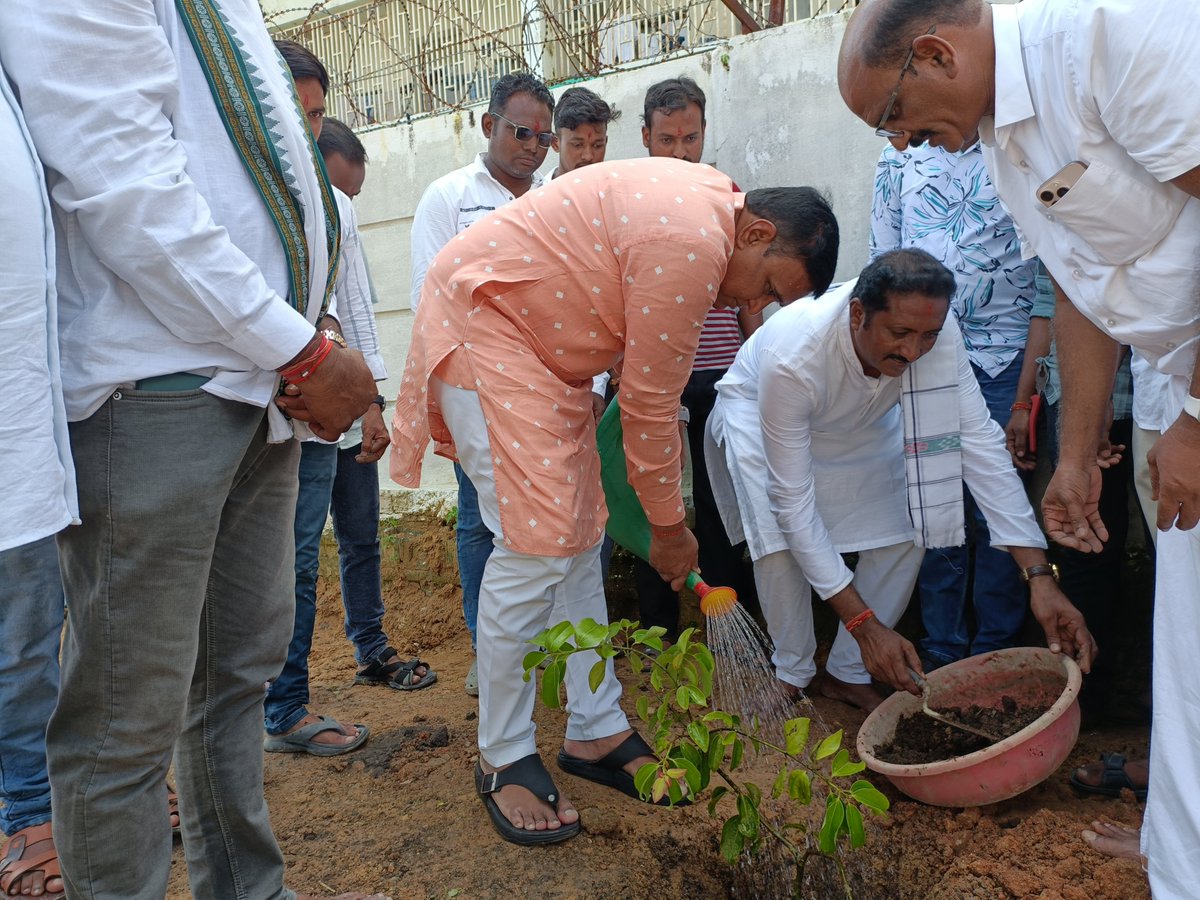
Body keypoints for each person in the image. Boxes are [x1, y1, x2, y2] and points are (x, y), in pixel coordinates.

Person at [0, 4, 384, 898]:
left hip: (254, 383)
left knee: (232, 686)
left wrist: (305, 326)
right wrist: (302, 347)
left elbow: (257, 179)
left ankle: (249, 889)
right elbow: (126, 188)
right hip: (157, 392)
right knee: (123, 725)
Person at [838, 0, 1200, 889]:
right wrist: (1073, 455)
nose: (900, 145)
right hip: (1177, 377)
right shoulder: (1004, 141)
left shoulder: (1114, 37)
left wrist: (1198, 417)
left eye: (891, 115)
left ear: (933, 54)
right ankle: (1177, 859)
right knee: (1186, 657)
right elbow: (1082, 287)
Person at [390, 160, 839, 845]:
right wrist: (668, 528)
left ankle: (595, 732)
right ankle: (503, 753)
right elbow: (651, 406)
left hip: (539, 352)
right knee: (534, 547)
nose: (749, 307)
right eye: (767, 286)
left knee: (577, 542)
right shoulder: (693, 244)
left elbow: (638, 372)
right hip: (490, 330)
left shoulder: (709, 213)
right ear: (757, 231)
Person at [707, 249, 1095, 712]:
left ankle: (847, 673)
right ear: (857, 315)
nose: (913, 352)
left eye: (927, 336)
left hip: (860, 422)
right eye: (899, 334)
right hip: (761, 416)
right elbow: (792, 503)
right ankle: (792, 671)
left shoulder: (935, 334)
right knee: (777, 542)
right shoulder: (793, 354)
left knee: (911, 522)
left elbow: (980, 446)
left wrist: (1039, 578)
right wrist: (866, 626)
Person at [265, 47, 432, 759]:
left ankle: (367, 648)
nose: (308, 129)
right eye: (298, 114)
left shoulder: (333, 208)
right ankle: (283, 705)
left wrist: (370, 400)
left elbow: (350, 305)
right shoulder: (256, 193)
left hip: (339, 397)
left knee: (358, 537)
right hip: (288, 414)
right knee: (296, 562)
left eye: (316, 114)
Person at [409, 71, 555, 697]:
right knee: (483, 520)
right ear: (488, 124)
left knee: (555, 521)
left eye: (545, 137)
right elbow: (432, 300)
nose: (534, 147)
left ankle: (544, 648)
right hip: (477, 388)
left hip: (552, 386)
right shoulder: (448, 197)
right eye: (523, 132)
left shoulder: (559, 196)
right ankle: (486, 647)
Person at [869, 141, 1039, 671]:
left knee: (998, 496)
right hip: (925, 352)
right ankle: (942, 644)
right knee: (933, 493)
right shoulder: (900, 154)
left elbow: (1047, 259)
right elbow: (884, 254)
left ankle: (996, 646)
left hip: (1005, 356)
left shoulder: (1016, 144)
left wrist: (1028, 383)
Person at [632, 75, 761, 638]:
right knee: (651, 501)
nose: (681, 151)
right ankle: (657, 632)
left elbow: (751, 289)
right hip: (655, 376)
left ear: (704, 133)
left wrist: (753, 361)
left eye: (691, 138)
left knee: (720, 505)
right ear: (646, 137)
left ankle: (729, 624)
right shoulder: (631, 198)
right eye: (668, 139)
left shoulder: (727, 193)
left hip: (721, 372)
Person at [0, 55, 77, 900]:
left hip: (37, 417)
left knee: (51, 630)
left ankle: (56, 797)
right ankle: (28, 813)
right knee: (23, 641)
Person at [550, 86, 620, 179]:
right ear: (555, 143)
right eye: (578, 145)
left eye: (597, 145)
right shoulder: (537, 192)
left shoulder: (616, 190)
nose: (588, 156)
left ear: (605, 142)